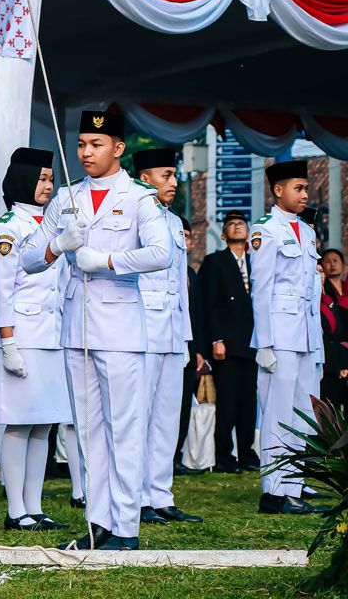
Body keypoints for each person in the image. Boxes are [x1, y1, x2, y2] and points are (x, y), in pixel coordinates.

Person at [22, 110, 171, 551]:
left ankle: (126, 526)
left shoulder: (140, 197)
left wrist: (106, 261)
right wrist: (58, 245)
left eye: (97, 144)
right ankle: (98, 522)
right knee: (87, 434)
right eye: (83, 143)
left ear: (118, 149)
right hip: (76, 329)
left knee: (123, 429)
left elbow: (161, 253)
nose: (86, 152)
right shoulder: (67, 197)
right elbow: (29, 258)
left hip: (122, 327)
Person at [0, 148, 71, 532]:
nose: (47, 186)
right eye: (41, 179)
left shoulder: (52, 224)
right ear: (22, 180)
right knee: (19, 423)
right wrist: (7, 343)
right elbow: (2, 289)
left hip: (52, 334)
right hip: (22, 335)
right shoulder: (10, 227)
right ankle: (15, 508)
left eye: (50, 180)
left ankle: (35, 506)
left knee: (44, 424)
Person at [130, 149, 202, 526]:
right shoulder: (132, 213)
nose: (174, 182)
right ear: (144, 178)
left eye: (174, 176)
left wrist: (187, 337)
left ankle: (161, 494)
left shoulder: (173, 221)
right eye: (166, 175)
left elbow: (181, 284)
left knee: (166, 417)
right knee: (139, 415)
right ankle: (137, 495)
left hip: (172, 330)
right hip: (142, 327)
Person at [252, 160, 325, 515]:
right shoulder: (265, 230)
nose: (304, 195)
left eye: (306, 188)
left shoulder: (307, 232)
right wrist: (264, 343)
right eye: (298, 188)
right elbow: (261, 290)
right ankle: (273, 490)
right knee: (277, 413)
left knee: (301, 413)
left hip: (305, 335)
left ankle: (294, 485)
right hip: (279, 334)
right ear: (278, 190)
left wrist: (317, 339)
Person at [199, 210, 259, 473]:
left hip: (253, 343)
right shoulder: (215, 262)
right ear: (223, 235)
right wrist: (215, 339)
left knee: (249, 401)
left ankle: (247, 453)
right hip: (226, 343)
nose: (237, 227)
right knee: (228, 400)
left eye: (241, 224)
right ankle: (224, 456)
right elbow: (209, 304)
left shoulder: (257, 261)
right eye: (232, 224)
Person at [175, 218, 209, 475]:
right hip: (167, 342)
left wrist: (198, 350)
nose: (184, 241)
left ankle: (177, 454)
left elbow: (197, 314)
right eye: (181, 235)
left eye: (188, 236)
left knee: (185, 402)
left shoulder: (190, 273)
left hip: (189, 345)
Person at [318, 249, 348, 412]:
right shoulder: (324, 292)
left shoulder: (345, 288)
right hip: (329, 360)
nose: (331, 264)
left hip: (340, 355)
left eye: (335, 260)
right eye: (327, 261)